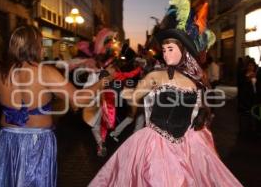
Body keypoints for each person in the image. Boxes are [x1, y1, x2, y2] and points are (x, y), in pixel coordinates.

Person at [89, 28, 242, 187]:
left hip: (187, 145)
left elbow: (202, 102)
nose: (165, 54)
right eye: (163, 50)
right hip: (156, 145)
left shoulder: (196, 79)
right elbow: (132, 95)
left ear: (183, 51)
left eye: (170, 49)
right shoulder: (156, 76)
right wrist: (109, 83)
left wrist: (202, 114)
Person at [0, 25, 114, 187]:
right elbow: (79, 99)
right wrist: (104, 80)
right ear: (35, 46)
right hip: (37, 144)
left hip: (6, 142)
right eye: (41, 43)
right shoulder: (46, 72)